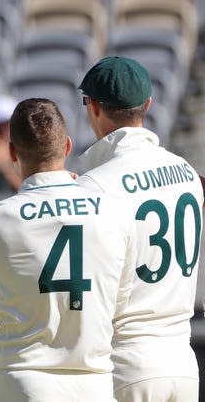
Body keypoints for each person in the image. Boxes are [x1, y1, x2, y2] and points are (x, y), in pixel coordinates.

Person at [0, 98, 138, 401]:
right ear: (68, 146)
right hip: (95, 386)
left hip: (20, 384)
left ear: (11, 152)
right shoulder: (115, 213)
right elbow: (120, 303)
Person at [76, 55, 204, 402]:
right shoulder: (187, 173)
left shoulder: (94, 186)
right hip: (183, 360)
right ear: (147, 104)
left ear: (94, 107)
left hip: (126, 363)